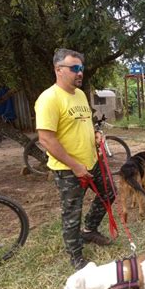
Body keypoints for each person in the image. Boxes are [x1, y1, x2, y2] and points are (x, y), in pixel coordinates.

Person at [35, 48, 114, 270]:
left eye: (81, 68)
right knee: (72, 213)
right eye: (75, 68)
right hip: (68, 169)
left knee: (109, 193)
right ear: (58, 70)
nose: (80, 73)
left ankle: (89, 230)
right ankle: (76, 256)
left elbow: (85, 123)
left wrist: (96, 135)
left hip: (92, 161)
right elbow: (46, 139)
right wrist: (75, 166)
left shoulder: (79, 95)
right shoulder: (48, 99)